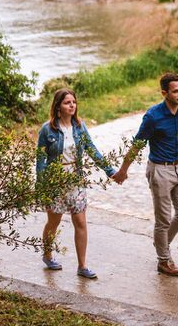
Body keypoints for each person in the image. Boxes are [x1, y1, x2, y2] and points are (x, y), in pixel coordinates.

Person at [113, 72, 178, 277]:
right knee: (163, 219)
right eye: (176, 91)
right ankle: (164, 260)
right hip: (160, 170)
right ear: (164, 93)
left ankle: (161, 243)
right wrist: (123, 170)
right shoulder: (152, 117)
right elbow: (137, 145)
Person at [36, 87, 117, 279]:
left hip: (76, 180)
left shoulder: (79, 127)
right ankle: (47, 255)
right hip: (55, 181)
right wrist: (41, 187)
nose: (72, 105)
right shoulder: (47, 129)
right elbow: (40, 160)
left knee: (80, 221)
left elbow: (91, 149)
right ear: (58, 106)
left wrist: (109, 170)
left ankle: (82, 266)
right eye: (67, 102)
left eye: (73, 102)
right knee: (53, 222)